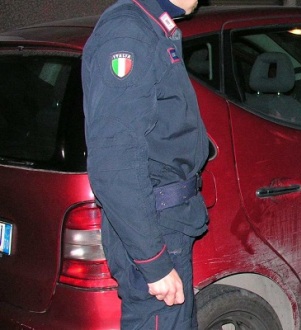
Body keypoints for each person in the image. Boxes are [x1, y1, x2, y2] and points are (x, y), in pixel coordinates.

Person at [82, 0, 208, 328]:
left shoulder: (153, 25)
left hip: (166, 220)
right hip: (155, 223)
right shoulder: (129, 32)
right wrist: (153, 261)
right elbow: (114, 162)